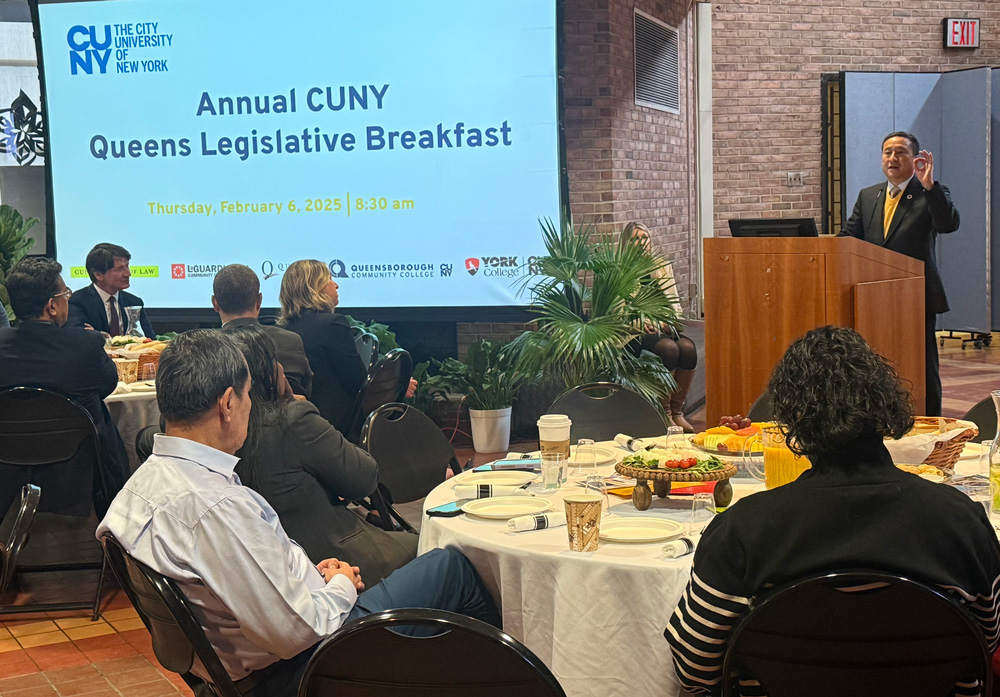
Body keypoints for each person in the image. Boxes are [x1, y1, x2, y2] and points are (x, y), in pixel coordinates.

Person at [96, 329, 499, 697]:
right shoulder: (214, 506)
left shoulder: (137, 489)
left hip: (240, 667)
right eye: (248, 395)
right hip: (302, 670)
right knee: (453, 567)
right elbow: (298, 631)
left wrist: (310, 577)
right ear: (228, 404)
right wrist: (340, 585)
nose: (251, 405)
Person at [665, 326, 1000, 695]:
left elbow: (695, 668)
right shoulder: (961, 519)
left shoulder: (743, 528)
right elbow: (987, 640)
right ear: (885, 404)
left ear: (790, 420)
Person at [228, 324, 417, 583]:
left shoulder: (221, 434)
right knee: (445, 555)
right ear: (268, 371)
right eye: (276, 361)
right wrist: (293, 404)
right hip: (338, 564)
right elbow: (364, 479)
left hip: (271, 573)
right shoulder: (292, 420)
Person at [840, 131, 960, 417]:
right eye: (887, 152)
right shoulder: (869, 196)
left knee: (922, 366)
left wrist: (929, 186)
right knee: (874, 364)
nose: (892, 158)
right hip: (871, 295)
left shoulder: (929, 193)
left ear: (915, 158)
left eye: (900, 152)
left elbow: (948, 224)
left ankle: (929, 420)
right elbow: (849, 238)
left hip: (914, 296)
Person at [0, 257, 130, 516]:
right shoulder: (86, 345)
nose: (67, 300)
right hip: (78, 468)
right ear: (52, 306)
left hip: (6, 465)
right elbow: (108, 385)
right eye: (65, 294)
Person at [623, 222, 698, 432]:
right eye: (635, 239)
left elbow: (674, 304)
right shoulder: (619, 271)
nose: (641, 243)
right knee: (669, 349)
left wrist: (669, 321)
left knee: (688, 349)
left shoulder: (661, 266)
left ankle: (677, 412)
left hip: (663, 326)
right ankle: (664, 413)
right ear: (626, 243)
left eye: (644, 238)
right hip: (634, 332)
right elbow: (618, 315)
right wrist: (642, 323)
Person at [278, 260, 368, 431]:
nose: (336, 285)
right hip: (337, 429)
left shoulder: (282, 330)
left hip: (296, 425)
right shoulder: (333, 325)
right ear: (314, 287)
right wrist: (391, 383)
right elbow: (359, 382)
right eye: (329, 279)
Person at [213, 264, 313, 398]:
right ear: (259, 301)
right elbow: (306, 393)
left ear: (215, 303)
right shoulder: (290, 341)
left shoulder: (204, 349)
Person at [67, 243, 155, 338]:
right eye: (120, 269)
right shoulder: (78, 301)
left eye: (127, 266)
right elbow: (79, 337)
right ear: (99, 275)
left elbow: (150, 339)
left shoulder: (134, 302)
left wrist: (98, 334)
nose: (128, 273)